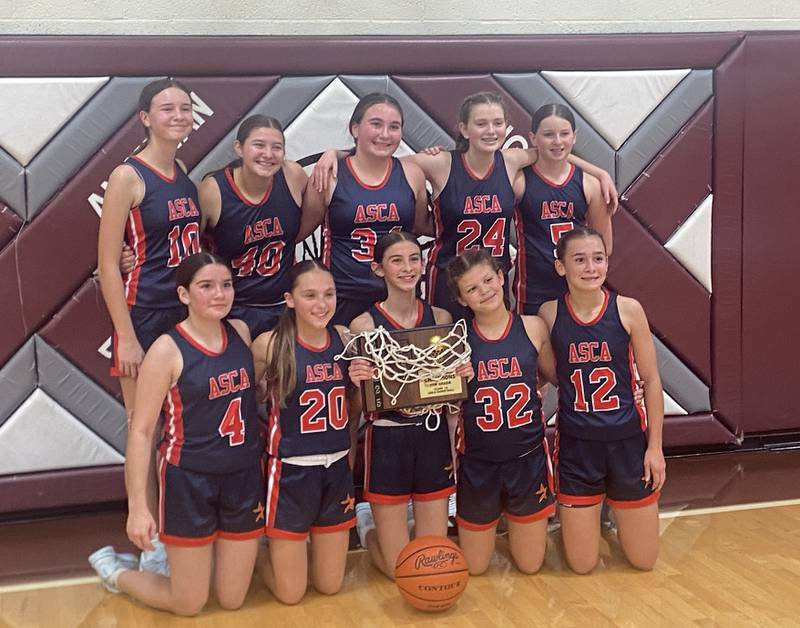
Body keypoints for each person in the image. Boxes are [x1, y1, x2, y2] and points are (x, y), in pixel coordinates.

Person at [312, 91, 618, 320]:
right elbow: (379, 158)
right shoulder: (442, 162)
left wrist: (599, 171)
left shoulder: (511, 161)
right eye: (481, 123)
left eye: (498, 123)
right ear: (463, 128)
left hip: (492, 281)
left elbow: (553, 151)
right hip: (448, 280)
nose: (490, 130)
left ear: (506, 128)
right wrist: (337, 153)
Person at [89, 253, 264, 615]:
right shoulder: (166, 351)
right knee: (190, 603)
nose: (219, 294)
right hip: (189, 480)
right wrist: (138, 507)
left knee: (232, 600)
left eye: (226, 285)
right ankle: (116, 572)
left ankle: (191, 562)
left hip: (244, 476)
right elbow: (140, 433)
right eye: (206, 286)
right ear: (184, 295)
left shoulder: (242, 334)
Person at [97, 77, 201, 573]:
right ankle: (149, 543)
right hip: (142, 314)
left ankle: (179, 529)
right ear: (145, 117)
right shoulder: (127, 176)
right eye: (167, 108)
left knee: (178, 430)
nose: (178, 115)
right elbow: (104, 265)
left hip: (182, 317)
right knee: (146, 427)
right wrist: (126, 336)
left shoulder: (182, 170)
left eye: (185, 108)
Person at [537, 226, 665, 574]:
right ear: (561, 267)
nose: (591, 267)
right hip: (578, 447)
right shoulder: (549, 314)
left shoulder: (628, 310)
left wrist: (655, 449)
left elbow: (652, 382)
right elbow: (551, 374)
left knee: (643, 561)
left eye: (598, 258)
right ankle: (596, 519)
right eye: (579, 260)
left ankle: (613, 518)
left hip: (628, 444)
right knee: (581, 565)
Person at [346, 231, 470, 579]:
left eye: (414, 259)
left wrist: (463, 376)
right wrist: (358, 383)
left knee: (430, 563)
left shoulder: (442, 318)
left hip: (431, 438)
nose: (407, 268)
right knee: (398, 570)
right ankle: (368, 526)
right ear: (378, 269)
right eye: (396, 260)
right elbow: (358, 406)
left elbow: (452, 398)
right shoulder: (364, 325)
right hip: (387, 439)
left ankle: (406, 525)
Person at [251, 260, 357, 604]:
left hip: (337, 467)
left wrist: (359, 386)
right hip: (292, 470)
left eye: (328, 294)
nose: (321, 303)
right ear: (290, 299)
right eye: (310, 295)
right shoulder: (270, 345)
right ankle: (250, 554)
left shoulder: (345, 339)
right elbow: (247, 403)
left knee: (330, 585)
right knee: (291, 594)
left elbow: (356, 410)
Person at [445, 247, 556, 575]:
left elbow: (561, 378)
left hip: (528, 459)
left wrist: (627, 387)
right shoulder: (456, 339)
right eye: (472, 288)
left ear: (501, 277)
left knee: (531, 566)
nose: (484, 291)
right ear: (462, 300)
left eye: (488, 280)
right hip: (477, 463)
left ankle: (521, 530)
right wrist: (452, 382)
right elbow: (447, 406)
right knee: (476, 569)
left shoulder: (533, 327)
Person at [301, 93, 430, 326]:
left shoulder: (412, 174)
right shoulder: (329, 175)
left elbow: (422, 225)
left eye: (394, 126)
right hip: (344, 295)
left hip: (398, 295)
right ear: (355, 128)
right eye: (376, 124)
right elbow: (299, 232)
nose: (384, 134)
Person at [199, 114, 308, 338]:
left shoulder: (293, 175)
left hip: (284, 304)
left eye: (276, 147)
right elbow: (186, 245)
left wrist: (334, 155)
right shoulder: (213, 191)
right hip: (233, 308)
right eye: (259, 145)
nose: (268, 154)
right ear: (239, 148)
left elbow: (321, 212)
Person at [513, 103, 613, 315]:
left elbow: (606, 247)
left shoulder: (589, 185)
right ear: (533, 138)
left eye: (564, 134)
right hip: (533, 289)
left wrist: (600, 174)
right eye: (548, 134)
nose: (558, 141)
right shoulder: (520, 181)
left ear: (574, 137)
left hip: (579, 288)